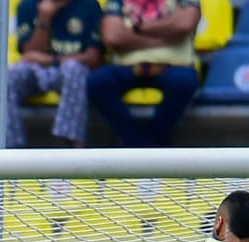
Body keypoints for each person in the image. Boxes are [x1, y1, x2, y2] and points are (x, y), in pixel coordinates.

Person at [85, 0, 200, 147]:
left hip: (173, 65)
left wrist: (139, 27)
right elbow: (113, 37)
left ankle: (152, 142)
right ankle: (137, 144)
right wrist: (168, 37)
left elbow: (184, 25)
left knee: (184, 81)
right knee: (97, 82)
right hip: (126, 66)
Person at [7, 0, 103, 149]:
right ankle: (10, 149)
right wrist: (44, 18)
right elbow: (30, 53)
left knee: (73, 69)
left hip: (71, 73)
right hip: (37, 72)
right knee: (10, 75)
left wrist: (54, 60)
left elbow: (93, 58)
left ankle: (71, 145)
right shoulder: (26, 6)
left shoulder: (89, 5)